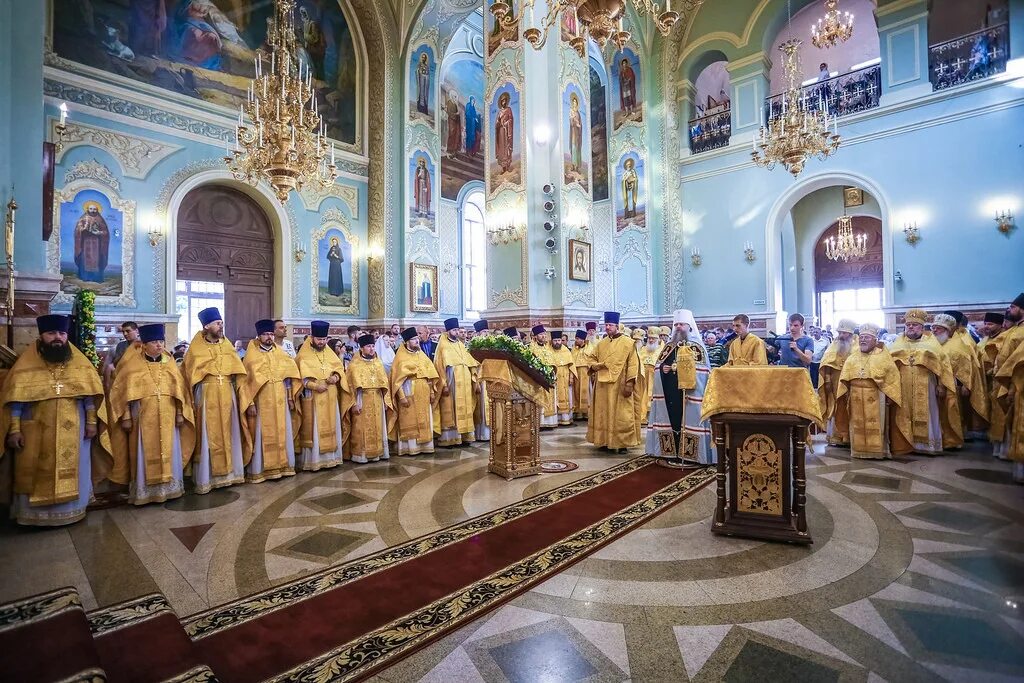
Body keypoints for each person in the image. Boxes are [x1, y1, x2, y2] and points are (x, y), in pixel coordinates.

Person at [0, 315, 110, 526]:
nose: (57, 338)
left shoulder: (79, 362)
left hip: (76, 428)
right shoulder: (26, 364)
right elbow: (15, 400)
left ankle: (73, 509)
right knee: (34, 467)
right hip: (35, 429)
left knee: (76, 467)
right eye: (51, 333)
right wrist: (14, 429)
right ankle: (36, 516)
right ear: (41, 336)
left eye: (61, 333)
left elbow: (90, 396)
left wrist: (91, 423)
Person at [107, 322, 195, 505]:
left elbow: (180, 392)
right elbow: (122, 394)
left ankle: (171, 489)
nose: (159, 345)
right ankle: (144, 492)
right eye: (154, 342)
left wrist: (180, 413)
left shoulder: (170, 364)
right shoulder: (132, 366)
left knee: (170, 448)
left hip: (169, 415)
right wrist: (126, 417)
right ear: (144, 345)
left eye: (161, 341)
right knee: (143, 451)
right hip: (142, 418)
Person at [182, 307, 247, 493]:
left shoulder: (227, 345)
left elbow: (238, 371)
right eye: (218, 323)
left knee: (229, 430)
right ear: (206, 325)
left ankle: (231, 474)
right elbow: (187, 374)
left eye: (222, 323)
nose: (221, 326)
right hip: (206, 393)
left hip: (227, 392)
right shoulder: (196, 348)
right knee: (207, 433)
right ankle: (207, 478)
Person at [238, 319, 301, 482]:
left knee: (282, 430)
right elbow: (246, 382)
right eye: (266, 334)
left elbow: (288, 377)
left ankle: (283, 466)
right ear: (259, 336)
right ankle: (261, 470)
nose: (269, 337)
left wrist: (290, 397)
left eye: (271, 334)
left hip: (280, 399)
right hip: (261, 401)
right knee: (261, 432)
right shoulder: (251, 356)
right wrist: (250, 403)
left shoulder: (280, 353)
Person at [646, 310, 713, 463]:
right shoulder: (669, 346)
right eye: (676, 324)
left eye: (681, 324)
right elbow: (659, 366)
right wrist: (663, 369)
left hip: (689, 394)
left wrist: (679, 368)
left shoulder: (697, 347)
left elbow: (703, 372)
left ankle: (691, 455)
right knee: (672, 420)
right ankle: (670, 452)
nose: (678, 327)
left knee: (688, 421)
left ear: (689, 326)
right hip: (670, 394)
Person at [888, 309, 958, 456]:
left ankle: (927, 446)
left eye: (915, 325)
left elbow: (943, 365)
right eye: (908, 325)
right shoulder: (897, 344)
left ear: (922, 327)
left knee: (928, 412)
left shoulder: (931, 343)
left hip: (927, 385)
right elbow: (889, 367)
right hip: (902, 385)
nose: (911, 327)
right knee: (903, 413)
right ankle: (905, 442)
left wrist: (940, 385)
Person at [837, 323, 902, 460]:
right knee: (856, 424)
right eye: (861, 337)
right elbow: (844, 379)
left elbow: (892, 378)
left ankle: (879, 451)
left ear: (875, 340)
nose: (863, 340)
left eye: (867, 337)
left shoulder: (883, 356)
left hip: (877, 396)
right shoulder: (852, 357)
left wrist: (891, 395)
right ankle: (858, 450)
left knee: (877, 424)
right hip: (855, 396)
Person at [587, 312, 645, 453]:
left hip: (620, 383)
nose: (608, 327)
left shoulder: (628, 343)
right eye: (606, 325)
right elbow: (591, 359)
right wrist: (597, 366)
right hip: (602, 385)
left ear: (617, 326)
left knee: (621, 414)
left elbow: (633, 364)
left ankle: (622, 443)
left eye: (610, 325)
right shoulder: (602, 343)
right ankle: (604, 440)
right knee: (603, 412)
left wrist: (630, 383)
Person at [295, 320, 348, 471]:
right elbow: (300, 378)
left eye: (324, 339)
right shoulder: (303, 355)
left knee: (332, 423)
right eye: (319, 339)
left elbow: (338, 368)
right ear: (312, 338)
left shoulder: (329, 353)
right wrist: (315, 386)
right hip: (314, 397)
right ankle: (315, 461)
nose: (322, 342)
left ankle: (332, 458)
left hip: (330, 394)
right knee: (315, 428)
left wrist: (336, 377)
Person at [342, 335, 396, 463]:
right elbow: (351, 387)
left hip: (377, 398)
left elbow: (384, 384)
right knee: (361, 427)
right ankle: (361, 455)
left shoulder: (378, 363)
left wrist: (385, 401)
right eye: (368, 346)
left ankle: (378, 452)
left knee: (378, 426)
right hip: (362, 400)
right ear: (361, 348)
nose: (372, 349)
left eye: (373, 346)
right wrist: (354, 403)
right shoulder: (354, 365)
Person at [390, 327, 441, 456]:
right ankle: (410, 447)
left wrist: (431, 392)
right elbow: (397, 380)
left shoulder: (422, 355)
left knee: (425, 417)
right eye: (413, 339)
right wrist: (401, 397)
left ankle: (425, 445)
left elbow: (430, 376)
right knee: (409, 418)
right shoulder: (400, 357)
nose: (416, 341)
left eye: (417, 339)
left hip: (423, 391)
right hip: (409, 390)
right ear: (407, 341)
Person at [433, 317, 476, 446]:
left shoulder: (460, 344)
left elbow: (470, 362)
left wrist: (474, 378)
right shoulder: (443, 345)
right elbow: (439, 366)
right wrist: (444, 384)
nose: (457, 332)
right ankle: (450, 438)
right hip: (451, 381)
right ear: (448, 331)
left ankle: (465, 436)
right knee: (451, 407)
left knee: (465, 406)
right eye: (454, 330)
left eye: (457, 330)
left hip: (465, 382)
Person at [818, 320, 857, 447]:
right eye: (839, 332)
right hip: (835, 379)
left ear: (850, 333)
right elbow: (827, 362)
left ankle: (849, 436)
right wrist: (827, 379)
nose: (841, 335)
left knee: (849, 406)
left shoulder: (856, 345)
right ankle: (835, 435)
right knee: (835, 405)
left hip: (850, 381)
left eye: (844, 333)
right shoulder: (834, 344)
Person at [978, 312, 1008, 457]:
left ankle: (1002, 447)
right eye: (986, 323)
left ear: (1000, 325)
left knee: (1000, 413)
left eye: (990, 324)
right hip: (985, 382)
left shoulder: (1003, 339)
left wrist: (992, 371)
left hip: (999, 382)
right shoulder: (985, 339)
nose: (986, 327)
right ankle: (992, 438)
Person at [528, 324, 559, 429]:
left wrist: (553, 372)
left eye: (544, 334)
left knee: (550, 398)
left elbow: (553, 361)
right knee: (540, 398)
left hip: (549, 376)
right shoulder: (531, 348)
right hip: (538, 378)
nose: (544, 336)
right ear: (535, 336)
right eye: (541, 334)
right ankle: (540, 422)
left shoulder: (548, 348)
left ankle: (550, 422)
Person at [548, 332, 577, 426]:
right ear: (552, 341)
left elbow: (571, 365)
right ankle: (557, 419)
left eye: (559, 340)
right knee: (556, 397)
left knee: (566, 396)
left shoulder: (566, 350)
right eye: (555, 340)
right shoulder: (548, 350)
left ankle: (565, 419)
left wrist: (571, 377)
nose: (557, 342)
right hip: (555, 378)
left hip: (565, 377)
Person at [103, 321, 140, 391]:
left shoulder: (143, 344)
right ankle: (107, 392)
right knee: (109, 367)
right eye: (123, 332)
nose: (125, 334)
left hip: (138, 371)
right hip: (122, 370)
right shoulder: (121, 345)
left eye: (128, 331)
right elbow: (117, 362)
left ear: (136, 331)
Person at [471, 319, 491, 441]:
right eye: (484, 331)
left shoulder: (491, 345)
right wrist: (476, 382)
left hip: (490, 378)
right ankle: (481, 434)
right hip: (480, 379)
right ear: (478, 333)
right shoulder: (474, 346)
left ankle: (491, 433)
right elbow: (473, 365)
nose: (486, 334)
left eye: (487, 331)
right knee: (481, 407)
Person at [638, 328, 662, 424]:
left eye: (653, 338)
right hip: (643, 377)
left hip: (655, 377)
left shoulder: (661, 350)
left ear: (657, 339)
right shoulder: (643, 349)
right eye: (650, 338)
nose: (651, 340)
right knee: (642, 396)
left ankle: (654, 418)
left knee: (654, 396)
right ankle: (642, 416)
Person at [571, 330, 595, 420]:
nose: (576, 340)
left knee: (586, 391)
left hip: (586, 373)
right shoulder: (574, 349)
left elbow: (592, 360)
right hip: (576, 372)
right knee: (576, 391)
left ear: (583, 339)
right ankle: (578, 411)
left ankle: (587, 412)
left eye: (577, 339)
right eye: (575, 338)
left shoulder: (590, 348)